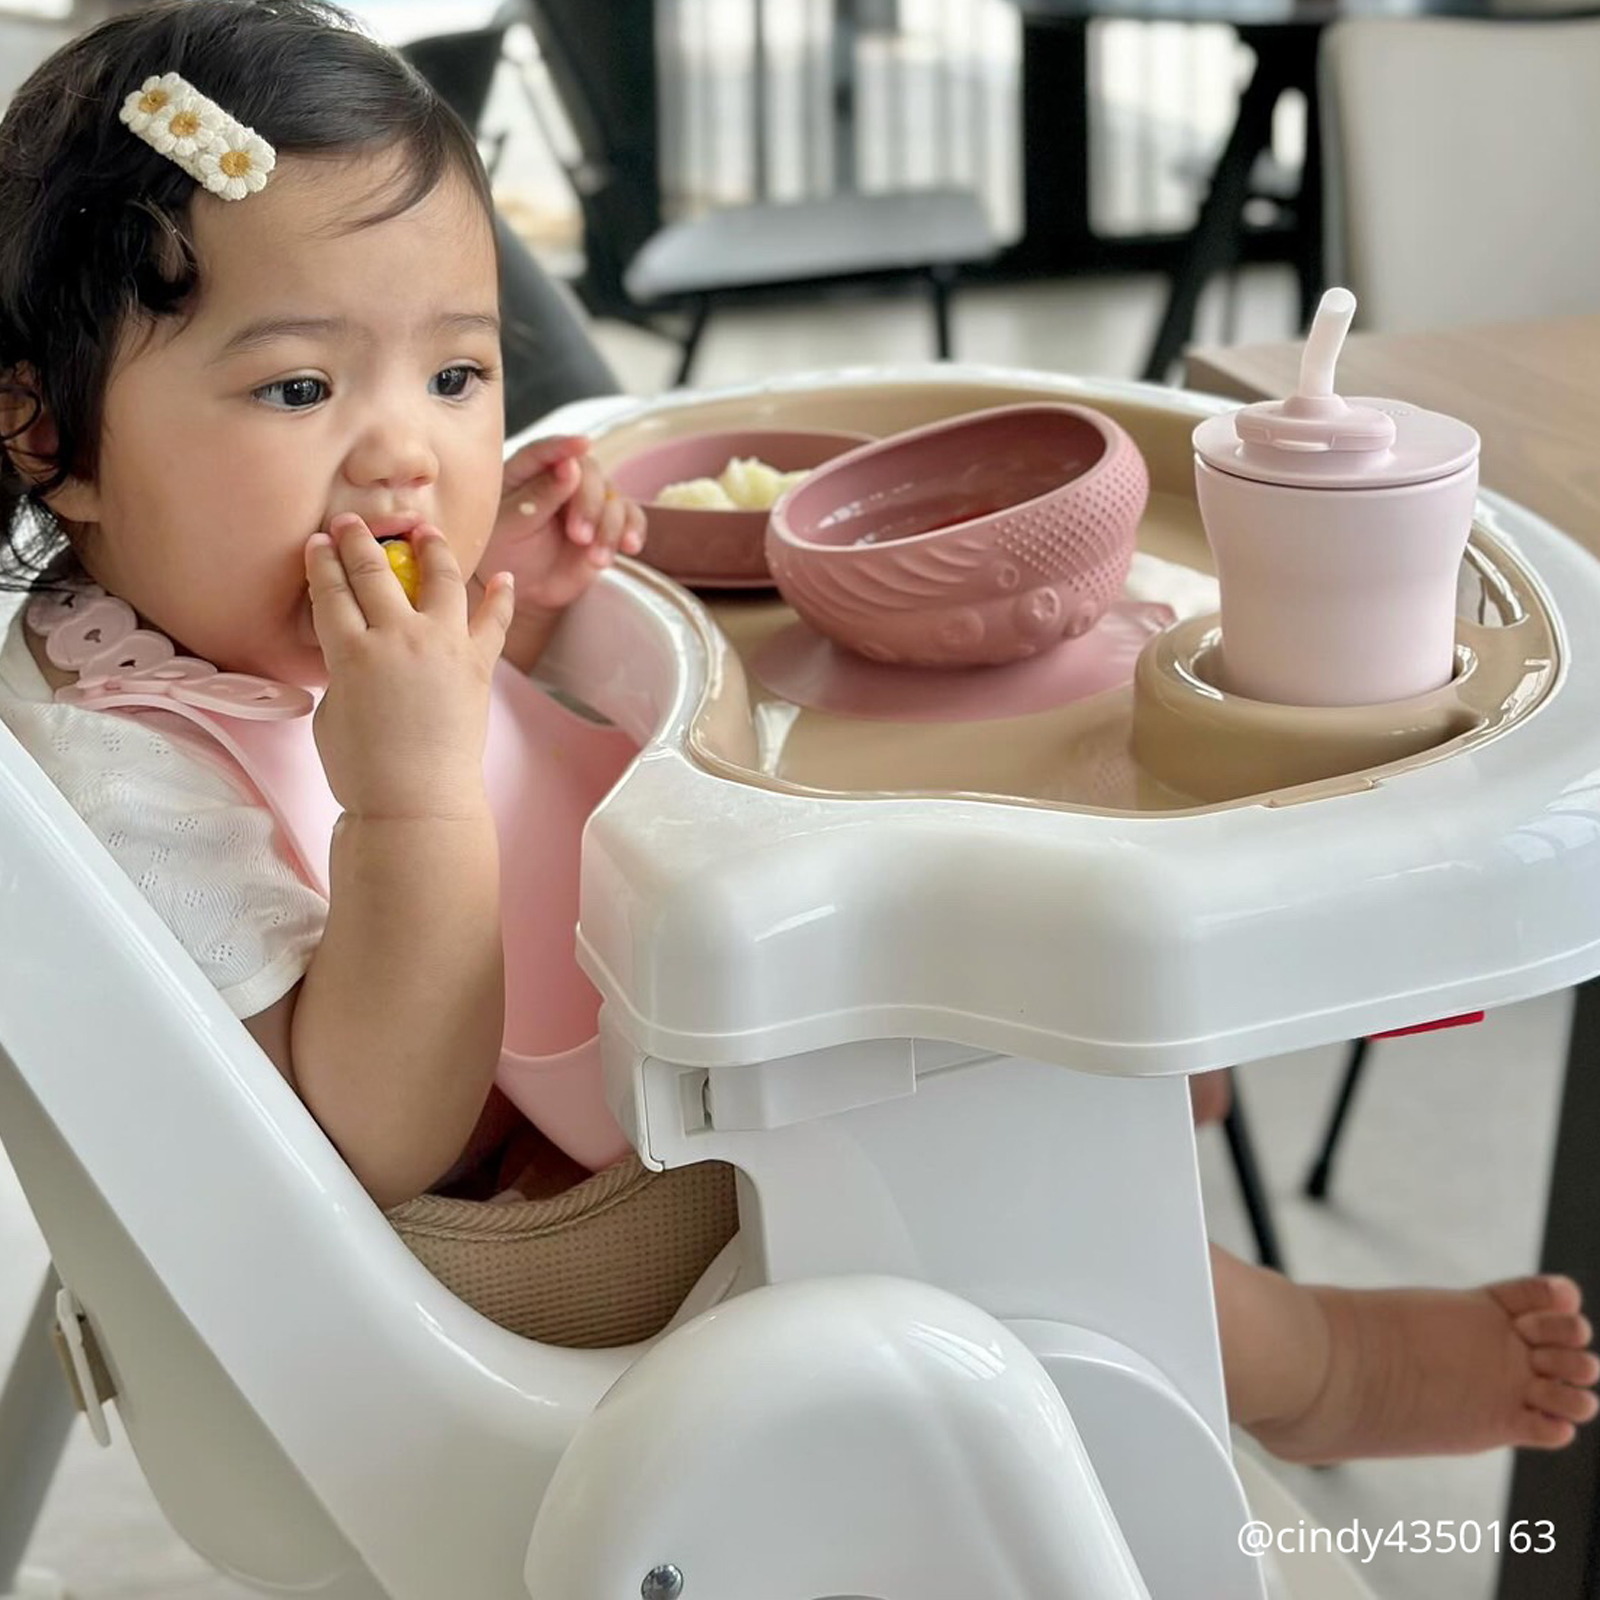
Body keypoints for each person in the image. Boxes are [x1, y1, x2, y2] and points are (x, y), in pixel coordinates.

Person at [0, 0, 1592, 1473]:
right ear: (50, 435)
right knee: (969, 1135)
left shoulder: (235, 625)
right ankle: (1311, 1370)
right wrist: (411, 794)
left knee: (952, 889)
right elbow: (378, 1132)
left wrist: (522, 616)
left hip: (596, 1067)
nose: (405, 454)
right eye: (297, 390)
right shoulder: (121, 760)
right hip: (530, 1232)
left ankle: (1106, 1104)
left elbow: (446, 741)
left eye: (458, 372)